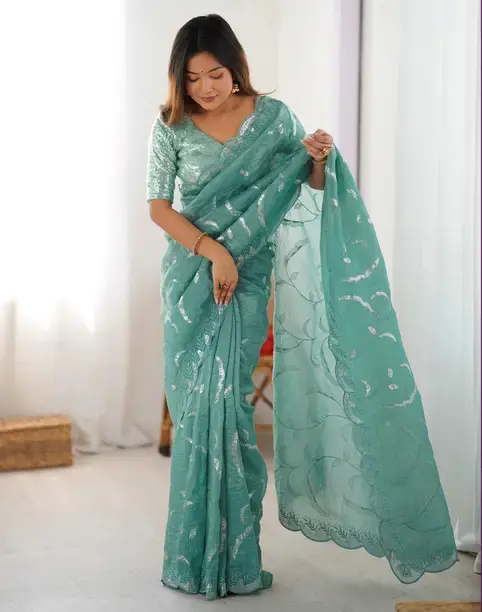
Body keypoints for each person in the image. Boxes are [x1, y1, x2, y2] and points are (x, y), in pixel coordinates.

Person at [147, 14, 457, 601]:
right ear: (179, 79)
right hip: (193, 277)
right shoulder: (170, 126)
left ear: (236, 68)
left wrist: (317, 159)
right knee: (196, 414)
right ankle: (191, 560)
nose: (206, 88)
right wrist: (214, 251)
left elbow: (304, 189)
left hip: (245, 281)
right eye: (192, 78)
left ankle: (235, 561)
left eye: (216, 74)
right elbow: (159, 208)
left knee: (229, 409)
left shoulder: (273, 119)